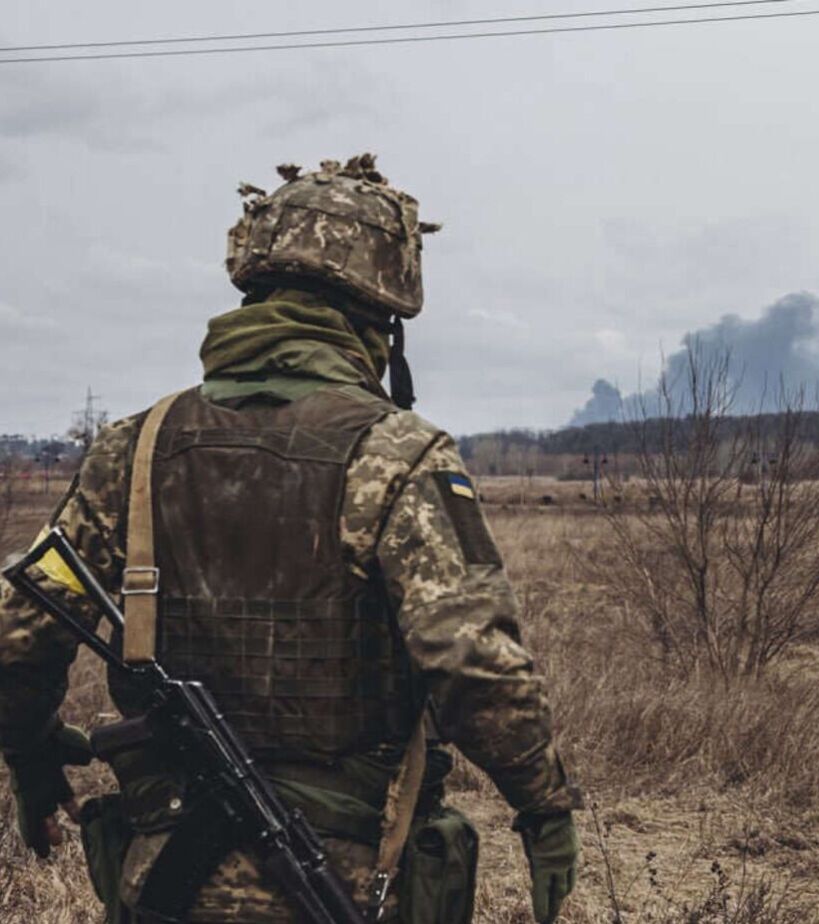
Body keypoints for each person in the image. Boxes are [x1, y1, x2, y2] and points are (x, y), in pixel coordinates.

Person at [0, 154, 580, 923]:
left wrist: (32, 758)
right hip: (347, 878)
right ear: (382, 323)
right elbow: (475, 664)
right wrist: (543, 808)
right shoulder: (395, 453)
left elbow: (19, 633)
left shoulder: (132, 451)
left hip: (161, 877)